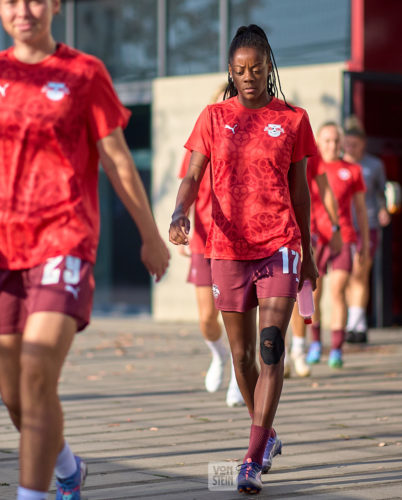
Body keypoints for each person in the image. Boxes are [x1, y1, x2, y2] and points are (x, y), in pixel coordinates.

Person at [0, 1, 170, 499]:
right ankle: (68, 469)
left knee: (36, 369)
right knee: (15, 398)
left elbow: (116, 159)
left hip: (64, 239)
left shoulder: (84, 73)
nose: (23, 9)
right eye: (10, 0)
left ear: (57, 5)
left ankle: (34, 494)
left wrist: (150, 235)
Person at [169, 24, 318, 495]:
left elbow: (301, 195)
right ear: (230, 72)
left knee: (271, 346)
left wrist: (309, 254)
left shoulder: (293, 119)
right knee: (242, 355)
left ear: (269, 67)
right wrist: (178, 211)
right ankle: (267, 434)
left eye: (256, 68)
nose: (249, 77)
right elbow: (193, 174)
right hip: (228, 249)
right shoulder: (213, 117)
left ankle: (251, 459)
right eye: (240, 70)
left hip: (280, 244)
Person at [177, 84, 245, 407]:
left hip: (236, 241)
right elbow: (188, 183)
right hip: (204, 239)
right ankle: (219, 356)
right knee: (207, 317)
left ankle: (238, 371)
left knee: (234, 313)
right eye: (220, 103)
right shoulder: (200, 139)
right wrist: (181, 221)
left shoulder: (246, 143)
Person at [305, 122, 369, 368]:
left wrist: (362, 242)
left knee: (338, 291)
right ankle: (315, 343)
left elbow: (361, 210)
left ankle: (337, 348)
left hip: (344, 238)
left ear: (342, 143)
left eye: (336, 140)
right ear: (319, 143)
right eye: (327, 140)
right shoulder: (310, 167)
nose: (332, 145)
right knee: (315, 293)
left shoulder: (352, 170)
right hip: (315, 237)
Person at [288, 126, 343, 377]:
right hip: (270, 230)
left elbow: (326, 191)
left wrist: (335, 227)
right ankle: (278, 353)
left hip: (304, 232)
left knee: (303, 290)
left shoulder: (312, 154)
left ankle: (299, 349)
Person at [342, 116, 390, 343]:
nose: (350, 148)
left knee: (360, 272)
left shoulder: (374, 165)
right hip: (342, 227)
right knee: (348, 276)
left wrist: (384, 209)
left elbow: (382, 192)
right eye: (347, 144)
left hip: (367, 225)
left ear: (363, 143)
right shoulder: (337, 164)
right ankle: (357, 323)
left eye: (354, 144)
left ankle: (355, 323)